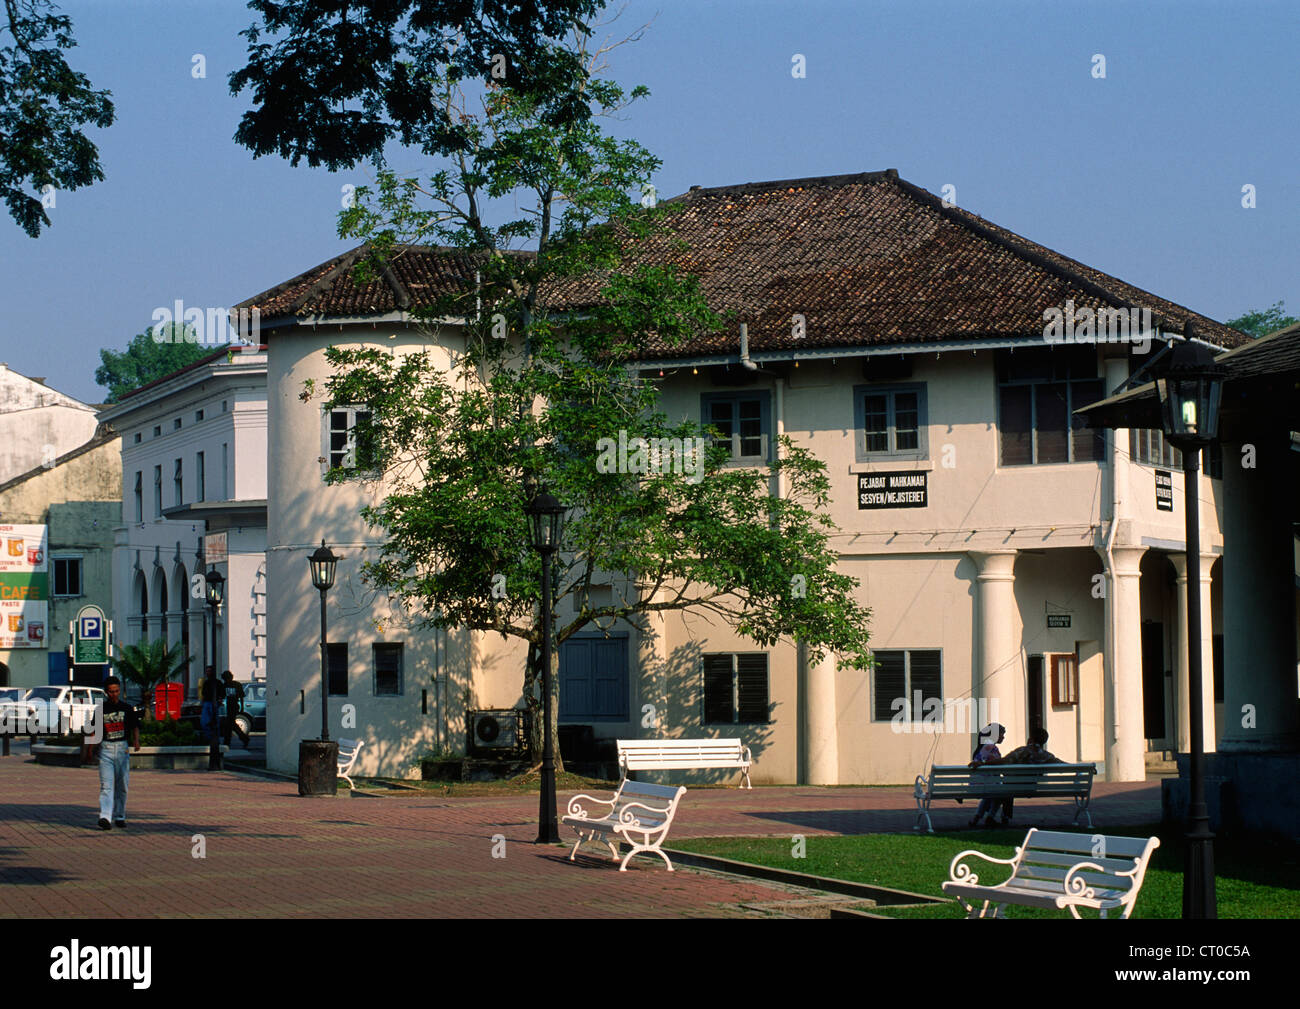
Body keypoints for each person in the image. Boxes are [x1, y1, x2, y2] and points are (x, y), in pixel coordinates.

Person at [89, 676, 141, 830]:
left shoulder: (127, 708)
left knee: (122, 785)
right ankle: (105, 816)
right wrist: (90, 750)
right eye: (111, 691)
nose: (114, 694)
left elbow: (135, 726)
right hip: (106, 750)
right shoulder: (101, 709)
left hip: (122, 749)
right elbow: (94, 731)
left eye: (117, 691)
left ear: (120, 691)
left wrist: (136, 741)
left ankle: (120, 815)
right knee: (106, 786)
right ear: (106, 692)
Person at [988, 726, 1063, 825]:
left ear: (1030, 739)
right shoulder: (1046, 755)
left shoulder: (1021, 751)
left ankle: (1003, 817)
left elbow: (1004, 761)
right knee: (1008, 785)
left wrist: (983, 763)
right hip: (1031, 788)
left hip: (1012, 787)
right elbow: (1062, 764)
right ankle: (1004, 816)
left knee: (1007, 785)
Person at [967, 722, 1005, 828]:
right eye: (1002, 734)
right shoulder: (991, 747)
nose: (1003, 737)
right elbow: (999, 763)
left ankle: (976, 818)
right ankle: (990, 817)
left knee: (990, 794)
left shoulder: (982, 747)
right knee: (1001, 793)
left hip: (977, 785)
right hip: (985, 784)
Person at [220, 670, 248, 747]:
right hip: (231, 706)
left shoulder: (235, 685)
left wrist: (242, 707)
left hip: (234, 706)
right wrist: (242, 707)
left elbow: (241, 696)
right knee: (231, 724)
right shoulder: (227, 685)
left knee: (229, 724)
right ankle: (243, 738)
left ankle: (228, 741)